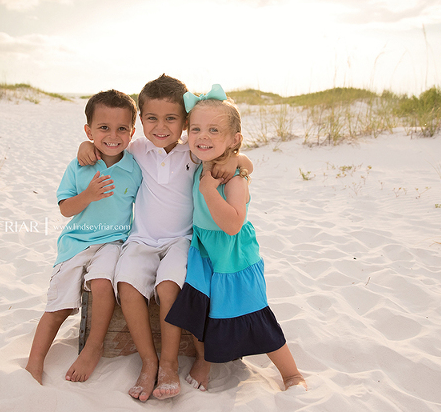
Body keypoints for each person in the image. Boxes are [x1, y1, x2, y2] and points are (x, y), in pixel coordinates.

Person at [76, 75, 253, 401]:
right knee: (127, 286)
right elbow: (105, 147)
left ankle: (169, 363)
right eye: (151, 118)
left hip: (181, 241)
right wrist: (86, 145)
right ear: (139, 120)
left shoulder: (194, 152)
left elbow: (239, 158)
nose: (161, 126)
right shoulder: (138, 149)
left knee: (168, 288)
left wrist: (237, 159)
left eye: (171, 118)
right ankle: (149, 361)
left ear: (185, 122)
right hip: (141, 239)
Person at [165, 85, 307, 392]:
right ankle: (205, 360)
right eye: (196, 129)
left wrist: (209, 188)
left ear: (234, 140)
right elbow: (245, 160)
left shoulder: (233, 178)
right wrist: (238, 158)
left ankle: (290, 372)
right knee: (201, 307)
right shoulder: (203, 162)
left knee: (252, 311)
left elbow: (233, 224)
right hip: (204, 250)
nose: (202, 136)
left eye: (214, 130)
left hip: (233, 254)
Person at [25, 89, 142, 385]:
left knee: (102, 284)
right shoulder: (79, 165)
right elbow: (65, 209)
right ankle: (34, 362)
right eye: (103, 128)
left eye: (121, 129)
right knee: (58, 307)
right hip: (77, 241)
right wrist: (88, 195)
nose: (112, 135)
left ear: (132, 131)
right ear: (89, 131)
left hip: (113, 241)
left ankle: (93, 347)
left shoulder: (135, 168)